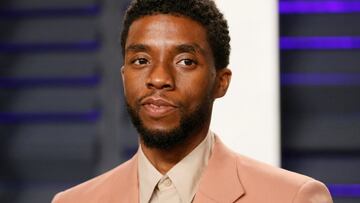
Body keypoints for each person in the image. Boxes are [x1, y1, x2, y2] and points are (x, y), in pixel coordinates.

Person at [52, 0, 333, 202]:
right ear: (124, 76)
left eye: (185, 61)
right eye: (141, 60)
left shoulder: (293, 197)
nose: (159, 78)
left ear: (221, 82)